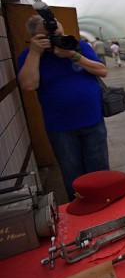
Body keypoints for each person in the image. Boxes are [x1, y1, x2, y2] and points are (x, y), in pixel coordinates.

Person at [18, 15, 110, 202]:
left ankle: (105, 203)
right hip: (60, 127)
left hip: (93, 120)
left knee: (100, 168)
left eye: (59, 33)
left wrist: (72, 55)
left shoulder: (80, 47)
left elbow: (102, 70)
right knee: (72, 173)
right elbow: (28, 84)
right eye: (49, 37)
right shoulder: (29, 57)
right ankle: (81, 206)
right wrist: (35, 53)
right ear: (36, 38)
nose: (57, 39)